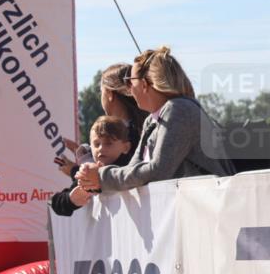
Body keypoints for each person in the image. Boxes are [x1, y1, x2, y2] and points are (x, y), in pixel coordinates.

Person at [77, 46, 235, 193]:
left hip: (207, 205)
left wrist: (101, 176)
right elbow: (133, 169)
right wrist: (96, 177)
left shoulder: (178, 109)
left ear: (144, 84)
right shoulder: (152, 120)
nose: (129, 89)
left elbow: (158, 171)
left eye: (130, 81)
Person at [50, 116, 132, 216]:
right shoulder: (87, 173)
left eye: (108, 143)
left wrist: (98, 182)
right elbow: (55, 203)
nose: (101, 148)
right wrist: (71, 199)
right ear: (90, 147)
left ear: (126, 147)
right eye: (96, 144)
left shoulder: (131, 168)